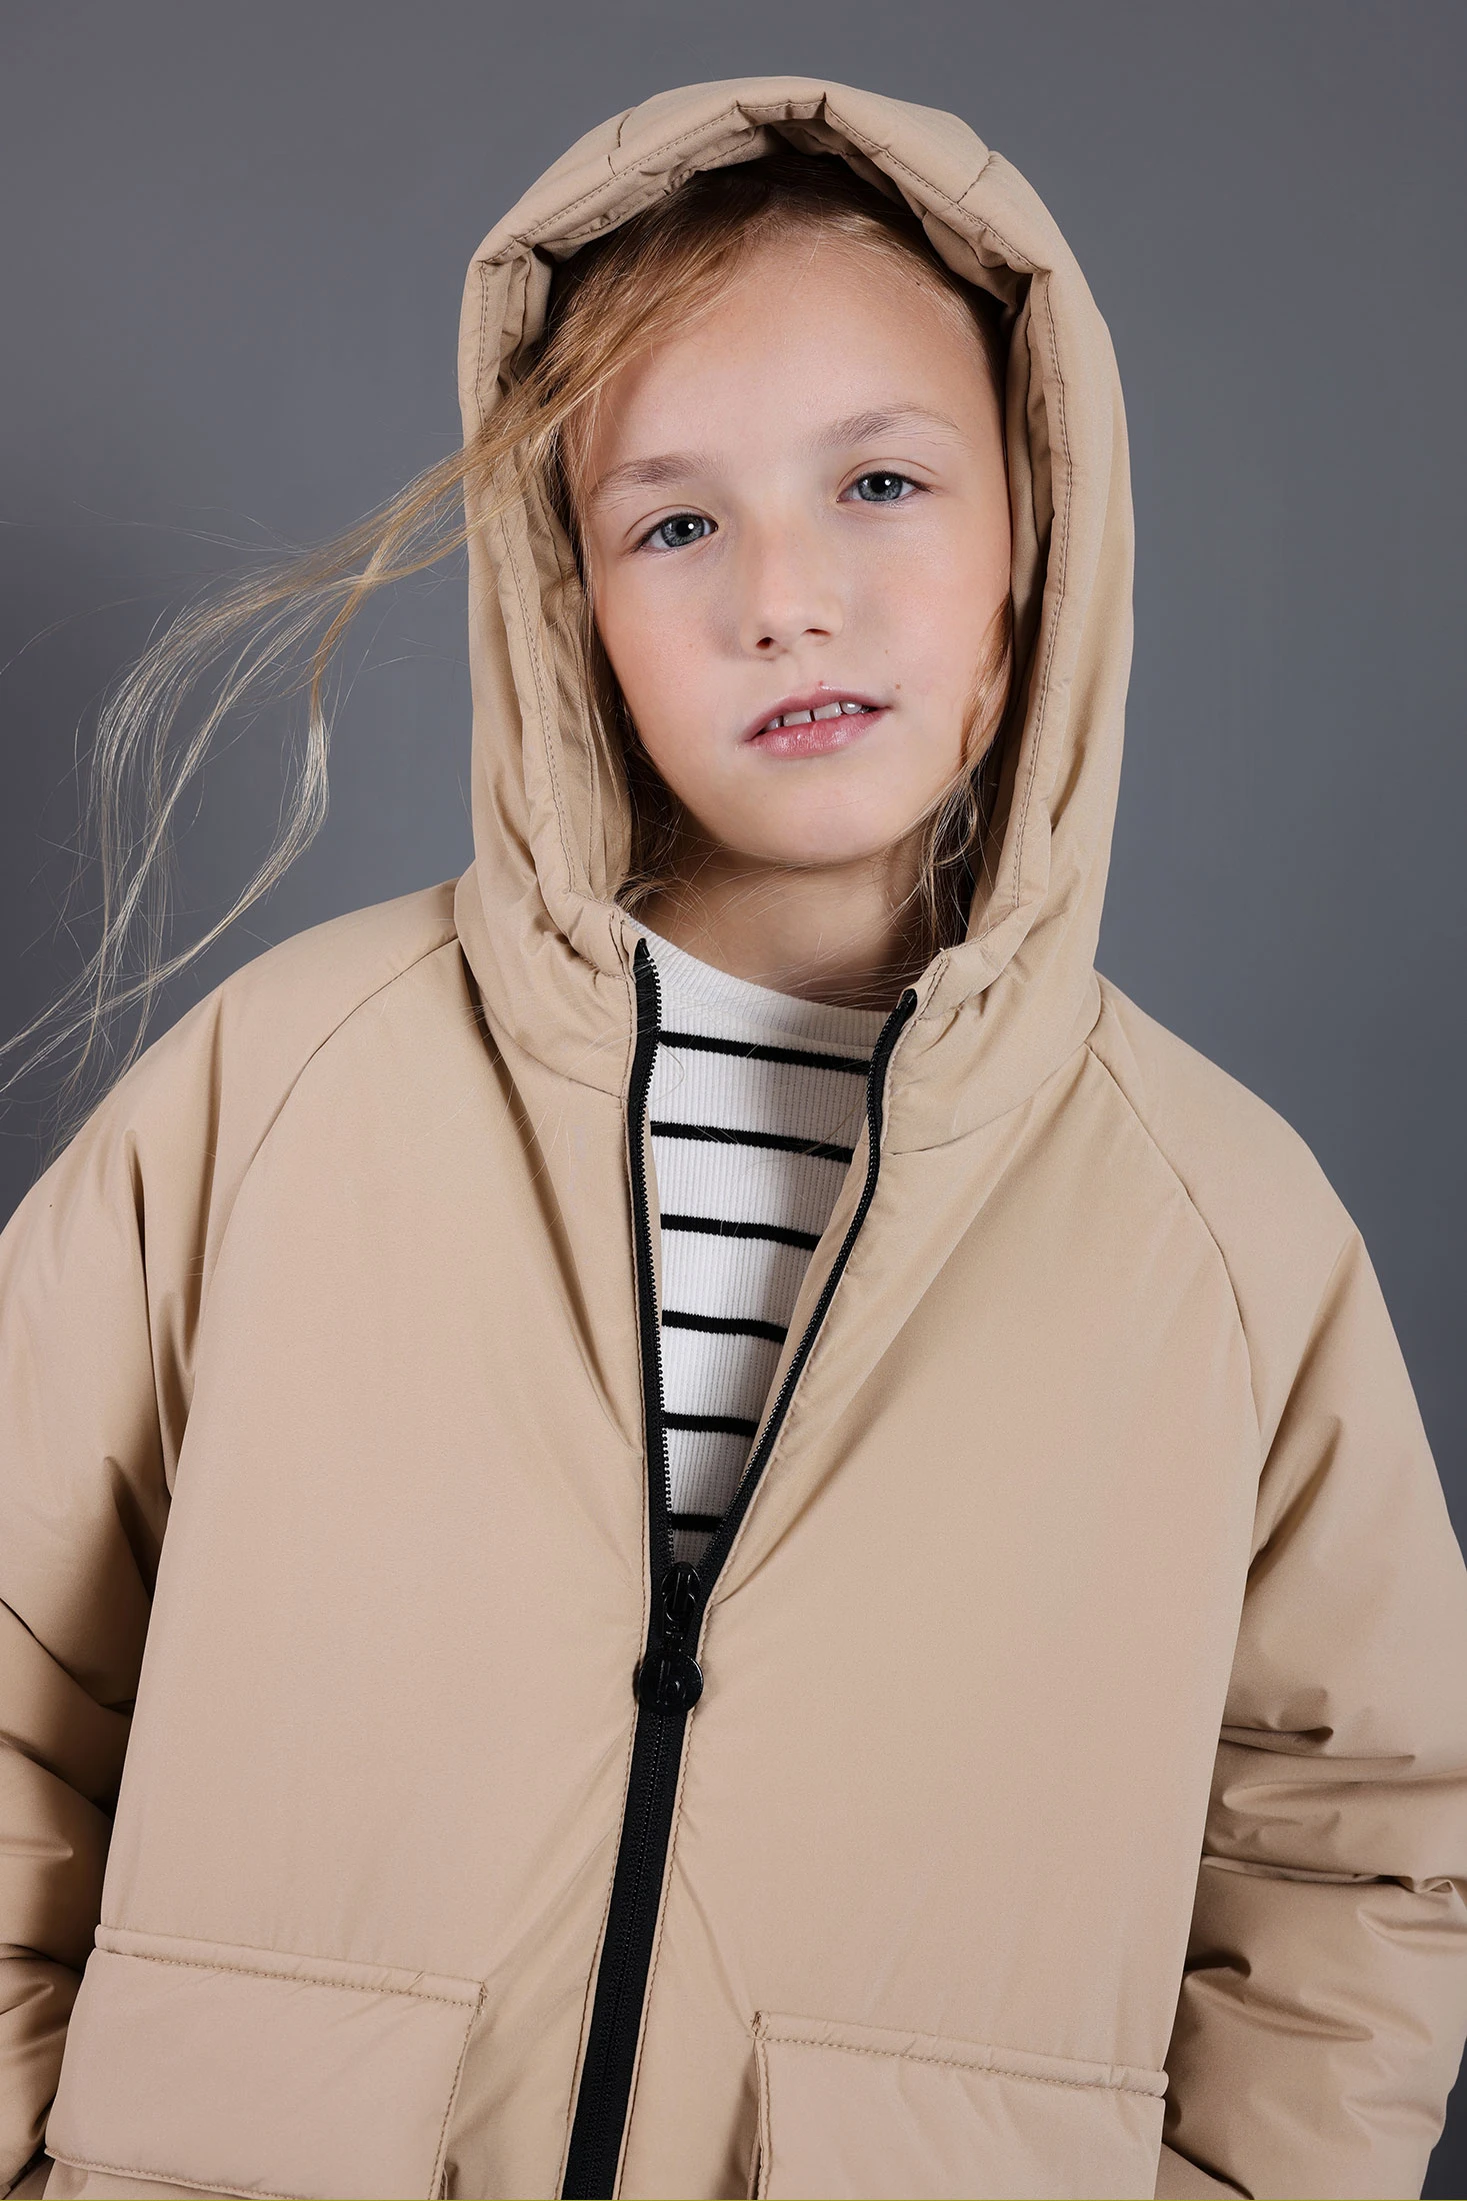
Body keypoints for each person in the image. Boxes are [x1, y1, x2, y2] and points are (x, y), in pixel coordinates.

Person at [1, 75, 1464, 2201]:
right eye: (673, 522)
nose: (782, 595)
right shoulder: (281, 1090)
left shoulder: (1227, 1232)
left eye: (879, 481)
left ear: (1036, 536)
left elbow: (1360, 1850)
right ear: (567, 594)